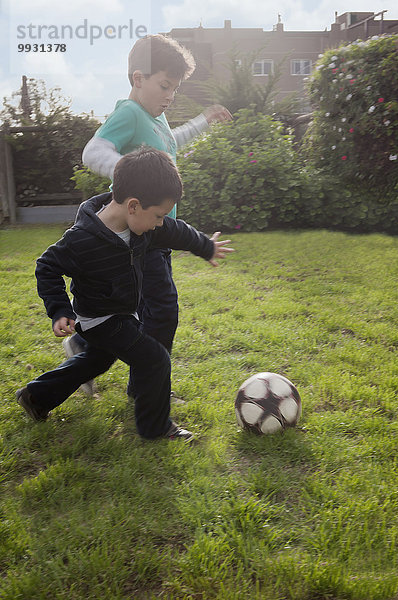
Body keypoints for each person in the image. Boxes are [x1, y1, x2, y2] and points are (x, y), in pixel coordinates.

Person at [16, 148, 234, 441]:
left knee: (97, 360)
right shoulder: (82, 240)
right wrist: (60, 310)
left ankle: (36, 396)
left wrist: (205, 247)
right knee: (154, 358)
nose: (160, 222)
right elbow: (47, 267)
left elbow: (177, 231)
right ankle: (155, 429)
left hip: (122, 313)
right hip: (98, 319)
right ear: (133, 205)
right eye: (158, 215)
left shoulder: (145, 227)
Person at [63, 34, 232, 395]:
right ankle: (149, 385)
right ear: (138, 79)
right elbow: (93, 151)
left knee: (136, 313)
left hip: (156, 232)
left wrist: (203, 120)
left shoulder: (157, 120)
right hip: (141, 234)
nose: (170, 96)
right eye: (164, 86)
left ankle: (85, 348)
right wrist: (126, 171)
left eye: (175, 89)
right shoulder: (130, 113)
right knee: (162, 310)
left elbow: (173, 144)